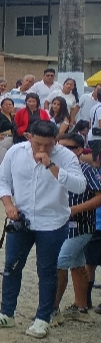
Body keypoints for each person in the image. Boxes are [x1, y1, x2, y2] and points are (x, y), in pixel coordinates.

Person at [0, 121, 86, 338]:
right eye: (38, 143)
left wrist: (52, 166)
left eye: (48, 144)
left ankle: (43, 318)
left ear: (55, 141)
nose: (42, 149)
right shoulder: (15, 152)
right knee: (12, 266)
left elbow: (80, 186)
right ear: (29, 137)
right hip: (22, 219)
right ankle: (6, 312)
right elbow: (1, 180)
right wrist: (8, 204)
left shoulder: (65, 157)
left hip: (52, 222)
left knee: (47, 270)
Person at [51, 133, 101, 324]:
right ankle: (80, 307)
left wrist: (74, 210)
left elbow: (99, 196)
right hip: (62, 225)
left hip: (81, 225)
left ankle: (52, 309)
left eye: (68, 147)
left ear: (79, 150)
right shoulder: (56, 168)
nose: (62, 151)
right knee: (77, 263)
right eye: (59, 147)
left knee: (59, 262)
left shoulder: (87, 170)